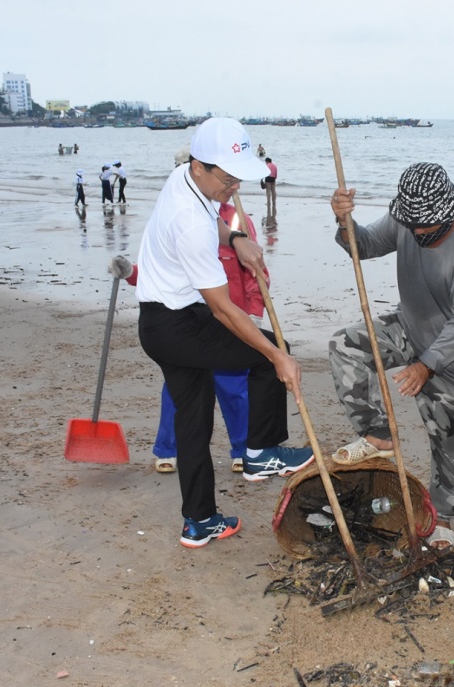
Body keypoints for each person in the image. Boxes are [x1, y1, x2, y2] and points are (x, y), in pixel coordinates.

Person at [135, 117, 314, 549]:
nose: (234, 187)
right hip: (180, 324)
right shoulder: (189, 223)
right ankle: (260, 452)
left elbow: (208, 213)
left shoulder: (185, 179)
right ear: (198, 165)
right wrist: (277, 358)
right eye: (228, 178)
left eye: (239, 178)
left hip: (156, 323)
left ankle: (199, 520)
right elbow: (224, 310)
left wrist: (235, 240)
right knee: (272, 350)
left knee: (194, 422)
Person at [328, 162, 454, 551]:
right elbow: (361, 247)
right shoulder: (407, 219)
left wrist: (425, 365)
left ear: (449, 214)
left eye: (424, 227)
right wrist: (343, 220)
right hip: (409, 326)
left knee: (447, 443)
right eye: (412, 224)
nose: (416, 232)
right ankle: (378, 434)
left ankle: (443, 519)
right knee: (345, 345)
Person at [128, 203, 265, 475]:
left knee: (234, 388)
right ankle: (168, 450)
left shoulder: (238, 219)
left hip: (229, 319)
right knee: (177, 390)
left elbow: (256, 272)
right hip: (186, 322)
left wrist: (254, 311)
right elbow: (159, 273)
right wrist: (131, 273)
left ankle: (243, 449)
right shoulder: (175, 217)